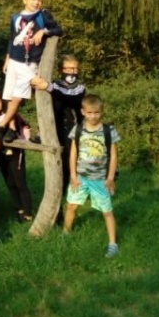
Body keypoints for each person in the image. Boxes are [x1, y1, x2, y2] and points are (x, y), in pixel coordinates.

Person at [0, 0, 62, 142]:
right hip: (14, 61)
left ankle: (1, 126)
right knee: (9, 96)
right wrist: (7, 58)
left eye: (39, 0)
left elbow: (59, 30)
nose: (36, 2)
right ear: (25, 0)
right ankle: (11, 129)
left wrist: (43, 31)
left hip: (28, 63)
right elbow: (12, 39)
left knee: (18, 98)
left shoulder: (43, 15)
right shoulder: (15, 17)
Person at [64, 94, 121, 258]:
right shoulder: (78, 130)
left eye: (96, 112)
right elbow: (73, 154)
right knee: (71, 206)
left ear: (102, 112)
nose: (93, 116)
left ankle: (113, 244)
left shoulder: (108, 131)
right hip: (80, 178)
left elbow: (114, 156)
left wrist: (110, 178)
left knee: (107, 211)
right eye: (89, 112)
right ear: (83, 112)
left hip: (100, 180)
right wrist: (73, 176)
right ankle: (65, 234)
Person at [32, 54, 87, 200]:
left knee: (68, 163)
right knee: (54, 163)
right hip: (53, 129)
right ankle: (54, 194)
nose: (72, 72)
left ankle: (64, 194)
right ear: (61, 70)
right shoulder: (54, 85)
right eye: (68, 68)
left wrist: (49, 88)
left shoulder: (79, 88)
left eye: (75, 68)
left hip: (70, 130)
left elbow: (73, 100)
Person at [0, 89, 34, 222]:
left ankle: (28, 213)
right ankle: (19, 209)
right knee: (10, 183)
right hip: (1, 155)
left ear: (2, 102)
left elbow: (9, 132)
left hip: (15, 154)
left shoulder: (9, 114)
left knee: (20, 183)